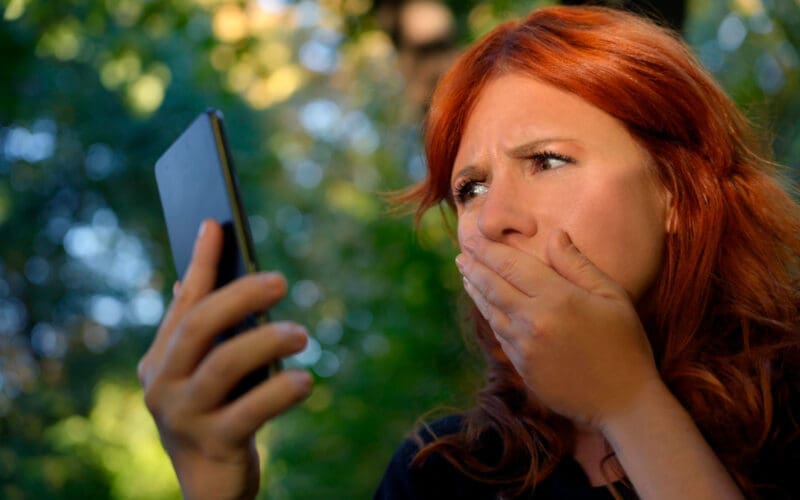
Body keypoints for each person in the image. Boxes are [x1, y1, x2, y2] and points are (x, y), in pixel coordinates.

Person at [137, 5, 800, 499]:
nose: (492, 222)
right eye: (471, 188)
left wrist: (630, 404)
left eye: (546, 160)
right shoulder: (442, 472)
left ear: (676, 195)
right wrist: (212, 481)